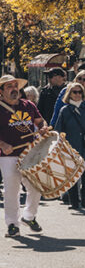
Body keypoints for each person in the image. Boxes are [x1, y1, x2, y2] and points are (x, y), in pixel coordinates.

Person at [0, 74, 48, 237]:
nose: (14, 89)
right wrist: (3, 144)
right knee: (11, 190)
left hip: (30, 153)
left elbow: (40, 121)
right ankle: (12, 224)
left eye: (15, 86)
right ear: (1, 91)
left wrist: (43, 128)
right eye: (9, 86)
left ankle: (29, 216)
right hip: (8, 156)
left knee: (36, 186)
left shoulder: (28, 105)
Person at [53, 81, 85, 210]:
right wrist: (60, 147)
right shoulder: (65, 110)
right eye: (74, 92)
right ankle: (74, 202)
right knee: (72, 176)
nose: (77, 94)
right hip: (70, 147)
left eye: (80, 92)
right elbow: (59, 130)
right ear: (69, 94)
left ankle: (84, 200)